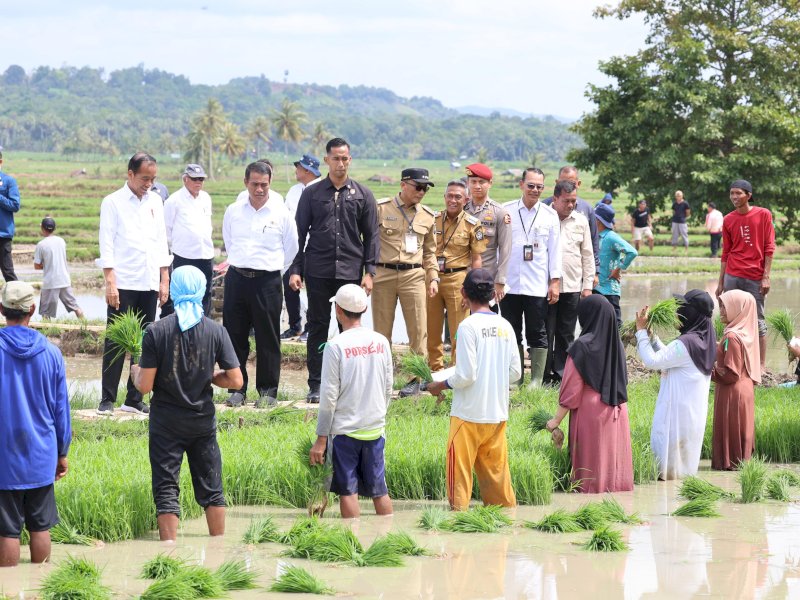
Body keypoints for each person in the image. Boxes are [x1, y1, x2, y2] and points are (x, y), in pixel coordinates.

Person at [131, 266, 242, 542]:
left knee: (167, 488)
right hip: (202, 421)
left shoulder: (156, 331)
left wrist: (134, 370)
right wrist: (211, 376)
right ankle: (218, 546)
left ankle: (168, 551)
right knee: (212, 487)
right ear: (202, 291)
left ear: (175, 293)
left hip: (166, 424)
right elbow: (236, 380)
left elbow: (144, 386)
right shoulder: (216, 331)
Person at [290, 138, 379, 403]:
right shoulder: (312, 194)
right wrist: (297, 269)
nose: (340, 163)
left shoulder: (362, 194)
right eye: (336, 158)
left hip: (350, 273)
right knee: (317, 326)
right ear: (327, 160)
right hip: (317, 271)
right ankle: (316, 384)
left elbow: (372, 236)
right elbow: (299, 234)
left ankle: (347, 384)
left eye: (345, 158)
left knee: (348, 330)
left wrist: (369, 272)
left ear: (350, 160)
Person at [427, 269, 521, 511]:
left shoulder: (468, 327)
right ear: (492, 295)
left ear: (463, 294)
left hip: (467, 416)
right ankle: (505, 531)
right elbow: (516, 373)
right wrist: (493, 376)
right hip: (497, 415)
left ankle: (459, 530)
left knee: (459, 484)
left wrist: (441, 384)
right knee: (498, 483)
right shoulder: (505, 325)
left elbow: (466, 375)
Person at [0, 281, 70, 566]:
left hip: (4, 457)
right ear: (32, 309)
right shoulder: (51, 353)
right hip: (41, 454)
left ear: (2, 309)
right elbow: (61, 410)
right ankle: (40, 588)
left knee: (7, 530)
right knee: (40, 526)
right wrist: (62, 453)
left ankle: (9, 588)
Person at [309, 284, 393, 519]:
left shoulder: (335, 346)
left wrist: (321, 439)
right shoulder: (381, 341)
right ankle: (387, 540)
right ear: (364, 309)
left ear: (338, 310)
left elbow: (328, 398)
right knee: (379, 490)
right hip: (375, 429)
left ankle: (353, 543)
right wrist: (376, 416)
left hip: (345, 432)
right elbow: (388, 388)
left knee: (348, 491)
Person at [97, 152, 171, 415]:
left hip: (149, 281)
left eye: (152, 179)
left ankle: (134, 399)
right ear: (130, 174)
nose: (148, 183)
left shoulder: (156, 202)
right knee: (116, 341)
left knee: (143, 342)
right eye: (144, 178)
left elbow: (162, 241)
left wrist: (164, 279)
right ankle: (107, 399)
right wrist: (110, 282)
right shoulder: (113, 202)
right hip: (124, 281)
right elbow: (106, 244)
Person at [222, 161, 299, 408]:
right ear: (246, 183)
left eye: (264, 185)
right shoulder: (233, 211)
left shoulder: (281, 213)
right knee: (235, 336)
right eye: (254, 184)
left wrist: (272, 270)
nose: (259, 189)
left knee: (268, 338)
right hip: (237, 279)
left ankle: (268, 392)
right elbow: (228, 241)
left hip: (268, 282)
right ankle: (237, 389)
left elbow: (292, 249)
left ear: (270, 183)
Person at [545, 295, 633, 494]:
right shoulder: (616, 345)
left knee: (590, 478)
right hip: (617, 412)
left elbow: (571, 391)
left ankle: (587, 508)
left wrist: (555, 421)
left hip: (592, 414)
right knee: (613, 474)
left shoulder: (581, 346)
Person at [635, 290, 715, 480]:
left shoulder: (685, 343)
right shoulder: (704, 339)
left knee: (668, 471)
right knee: (683, 473)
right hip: (692, 417)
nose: (678, 314)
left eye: (682, 309)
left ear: (692, 313)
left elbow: (654, 361)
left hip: (675, 419)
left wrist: (640, 332)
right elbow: (669, 357)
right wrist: (651, 337)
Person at [373, 168, 438, 396]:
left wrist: (433, 277)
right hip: (384, 275)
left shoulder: (428, 216)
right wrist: (367, 273)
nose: (422, 192)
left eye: (425, 188)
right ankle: (381, 378)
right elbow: (369, 244)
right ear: (403, 185)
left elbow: (430, 252)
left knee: (418, 330)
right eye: (418, 187)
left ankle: (415, 379)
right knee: (381, 332)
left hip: (413, 276)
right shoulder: (381, 209)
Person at [501, 168, 561, 387]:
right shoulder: (506, 211)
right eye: (531, 186)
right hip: (510, 284)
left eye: (539, 187)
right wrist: (498, 280)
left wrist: (555, 281)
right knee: (511, 331)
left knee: (537, 331)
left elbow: (555, 251)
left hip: (537, 284)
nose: (535, 190)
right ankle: (516, 378)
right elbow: (500, 249)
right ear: (521, 185)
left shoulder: (549, 214)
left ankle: (536, 380)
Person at [714, 179, 775, 371]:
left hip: (755, 276)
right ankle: (730, 362)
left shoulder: (763, 214)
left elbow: (769, 247)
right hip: (733, 274)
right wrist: (721, 281)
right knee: (729, 318)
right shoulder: (728, 219)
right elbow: (726, 252)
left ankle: (761, 365)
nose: (734, 197)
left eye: (738, 193)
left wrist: (766, 276)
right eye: (732, 193)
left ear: (748, 195)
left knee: (758, 319)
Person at [427, 180, 486, 372]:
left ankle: (456, 372)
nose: (453, 200)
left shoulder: (473, 224)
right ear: (444, 198)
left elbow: (476, 259)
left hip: (458, 279)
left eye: (458, 197)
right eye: (450, 196)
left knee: (458, 331)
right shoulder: (432, 220)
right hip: (432, 279)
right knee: (431, 328)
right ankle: (434, 370)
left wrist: (471, 290)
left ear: (466, 199)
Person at [545, 180, 593, 385]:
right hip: (545, 286)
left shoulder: (580, 221)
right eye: (566, 201)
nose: (571, 205)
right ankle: (544, 374)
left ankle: (562, 374)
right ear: (555, 198)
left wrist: (588, 285)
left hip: (572, 286)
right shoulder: (543, 217)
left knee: (566, 333)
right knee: (545, 331)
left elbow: (587, 255)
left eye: (574, 201)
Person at [712, 289, 760, 470]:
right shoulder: (743, 334)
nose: (722, 311)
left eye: (725, 307)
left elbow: (731, 374)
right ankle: (740, 466)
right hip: (744, 390)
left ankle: (729, 465)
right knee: (741, 433)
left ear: (738, 310)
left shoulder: (732, 337)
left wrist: (708, 371)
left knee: (731, 432)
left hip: (733, 392)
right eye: (721, 306)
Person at [162, 164, 215, 316]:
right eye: (194, 179)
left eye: (201, 179)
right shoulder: (174, 201)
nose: (198, 182)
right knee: (182, 292)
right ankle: (181, 323)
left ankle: (203, 324)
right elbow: (167, 230)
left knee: (206, 291)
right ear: (185, 179)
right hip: (183, 255)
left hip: (205, 253)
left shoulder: (206, 198)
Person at [281, 154, 322, 340]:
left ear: (308, 170)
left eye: (298, 167)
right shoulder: (293, 191)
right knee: (289, 287)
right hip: (293, 248)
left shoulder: (323, 189)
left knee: (314, 290)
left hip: (314, 249)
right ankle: (294, 325)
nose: (296, 170)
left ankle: (310, 327)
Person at [463, 163, 511, 311]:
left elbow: (505, 249)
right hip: (461, 278)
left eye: (481, 182)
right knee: (456, 330)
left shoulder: (499, 212)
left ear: (490, 183)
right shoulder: (461, 209)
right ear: (468, 183)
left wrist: (500, 281)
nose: (477, 186)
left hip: (486, 280)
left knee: (486, 328)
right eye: (473, 182)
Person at [542, 166, 600, 281]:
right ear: (557, 183)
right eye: (563, 182)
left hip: (575, 275)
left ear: (578, 184)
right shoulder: (544, 207)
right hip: (547, 274)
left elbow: (593, 243)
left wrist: (595, 272)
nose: (567, 185)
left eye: (572, 182)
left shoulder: (587, 209)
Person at [593, 203, 638, 328]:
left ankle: (623, 344)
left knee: (615, 326)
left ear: (598, 221)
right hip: (595, 288)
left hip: (609, 290)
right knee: (596, 325)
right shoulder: (596, 236)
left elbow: (631, 252)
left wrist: (618, 269)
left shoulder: (611, 237)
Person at [34, 217, 84, 320]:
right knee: (75, 307)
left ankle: (46, 331)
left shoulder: (41, 245)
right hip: (64, 279)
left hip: (50, 282)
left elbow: (37, 266)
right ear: (54, 228)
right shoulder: (61, 241)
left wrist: (46, 265)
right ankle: (85, 324)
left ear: (42, 228)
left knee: (45, 312)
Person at [0, 150, 20, 282]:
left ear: (0, 162)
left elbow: (15, 205)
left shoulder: (9, 181)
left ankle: (18, 300)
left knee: (8, 272)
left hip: (2, 235)